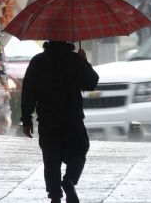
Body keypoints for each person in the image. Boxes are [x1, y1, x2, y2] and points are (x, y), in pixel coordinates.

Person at [20, 41, 99, 203]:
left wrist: (26, 120)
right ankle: (69, 180)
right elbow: (91, 83)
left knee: (51, 159)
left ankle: (55, 195)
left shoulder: (38, 61)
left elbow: (28, 92)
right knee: (80, 150)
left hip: (48, 120)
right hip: (73, 119)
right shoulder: (75, 60)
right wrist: (84, 62)